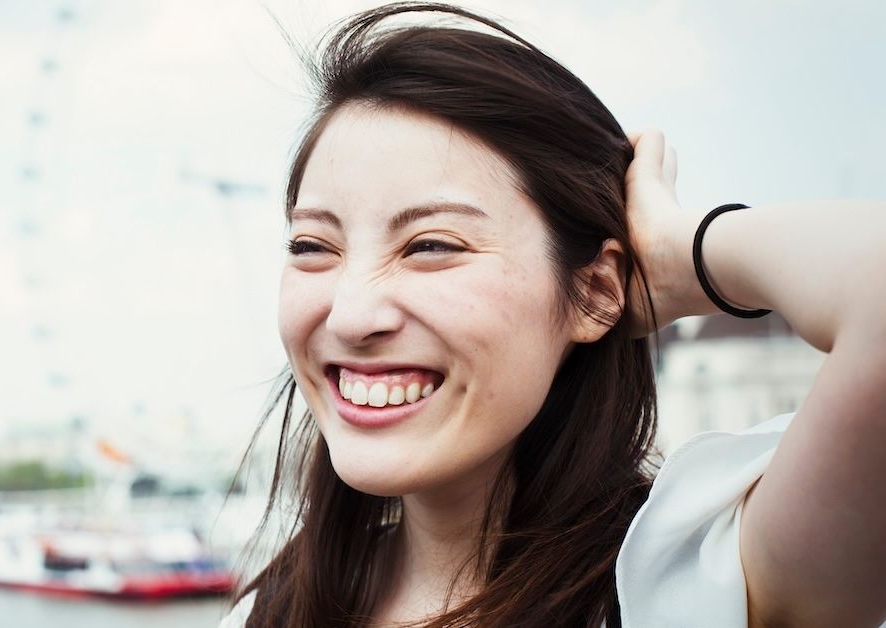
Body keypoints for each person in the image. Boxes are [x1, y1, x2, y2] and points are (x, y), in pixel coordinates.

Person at [220, 3, 886, 626]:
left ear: (594, 291)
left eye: (431, 245)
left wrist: (677, 256)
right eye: (313, 246)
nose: (349, 313)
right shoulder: (273, 607)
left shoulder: (696, 579)